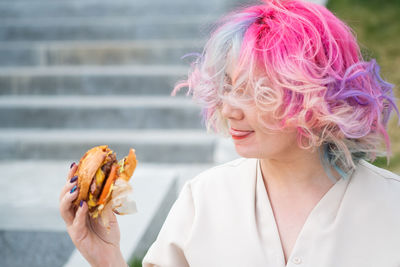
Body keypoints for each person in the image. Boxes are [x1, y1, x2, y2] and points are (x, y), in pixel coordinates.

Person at [59, 0, 400, 266]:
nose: (228, 109)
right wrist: (106, 258)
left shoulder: (391, 207)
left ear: (318, 97)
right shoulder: (203, 200)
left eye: (257, 91)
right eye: (229, 87)